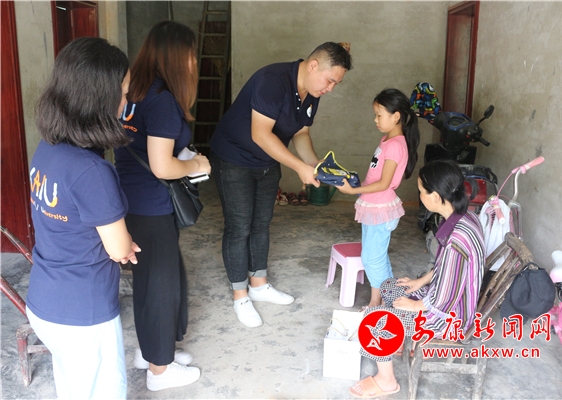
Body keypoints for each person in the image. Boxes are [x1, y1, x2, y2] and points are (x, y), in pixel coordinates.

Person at [209, 42, 353, 327]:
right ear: (313, 66)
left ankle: (259, 284)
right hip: (234, 159)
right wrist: (299, 167)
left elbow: (301, 133)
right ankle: (240, 296)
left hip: (266, 162)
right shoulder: (272, 81)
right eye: (329, 81)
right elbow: (261, 135)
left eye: (336, 84)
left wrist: (316, 167)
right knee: (239, 227)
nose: (330, 89)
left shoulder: (312, 92)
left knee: (261, 224)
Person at [26, 37, 139, 399]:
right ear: (100, 99)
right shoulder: (92, 171)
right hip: (82, 310)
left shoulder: (47, 149)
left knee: (75, 387)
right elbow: (118, 248)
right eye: (123, 92)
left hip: (45, 300)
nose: (127, 101)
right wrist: (124, 244)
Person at [114, 21, 210, 391]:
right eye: (191, 54)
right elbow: (162, 166)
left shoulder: (136, 92)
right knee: (160, 285)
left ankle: (151, 351)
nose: (194, 62)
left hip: (131, 199)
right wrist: (196, 165)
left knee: (150, 280)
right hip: (152, 204)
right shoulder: (163, 100)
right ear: (178, 57)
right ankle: (160, 371)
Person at [349, 160, 485, 398]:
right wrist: (419, 282)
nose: (420, 196)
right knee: (390, 286)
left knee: (374, 319)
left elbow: (447, 295)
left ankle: (387, 381)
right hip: (447, 299)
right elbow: (448, 269)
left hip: (449, 316)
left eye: (422, 191)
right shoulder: (464, 218)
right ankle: (399, 339)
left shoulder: (457, 240)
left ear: (436, 196)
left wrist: (416, 306)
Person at [338, 88, 420, 309]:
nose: (375, 120)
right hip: (374, 205)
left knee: (372, 258)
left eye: (379, 115)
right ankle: (386, 297)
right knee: (375, 256)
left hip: (380, 208)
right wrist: (357, 184)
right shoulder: (387, 140)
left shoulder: (395, 146)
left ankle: (381, 301)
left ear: (396, 116)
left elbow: (384, 183)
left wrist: (352, 191)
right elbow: (376, 175)